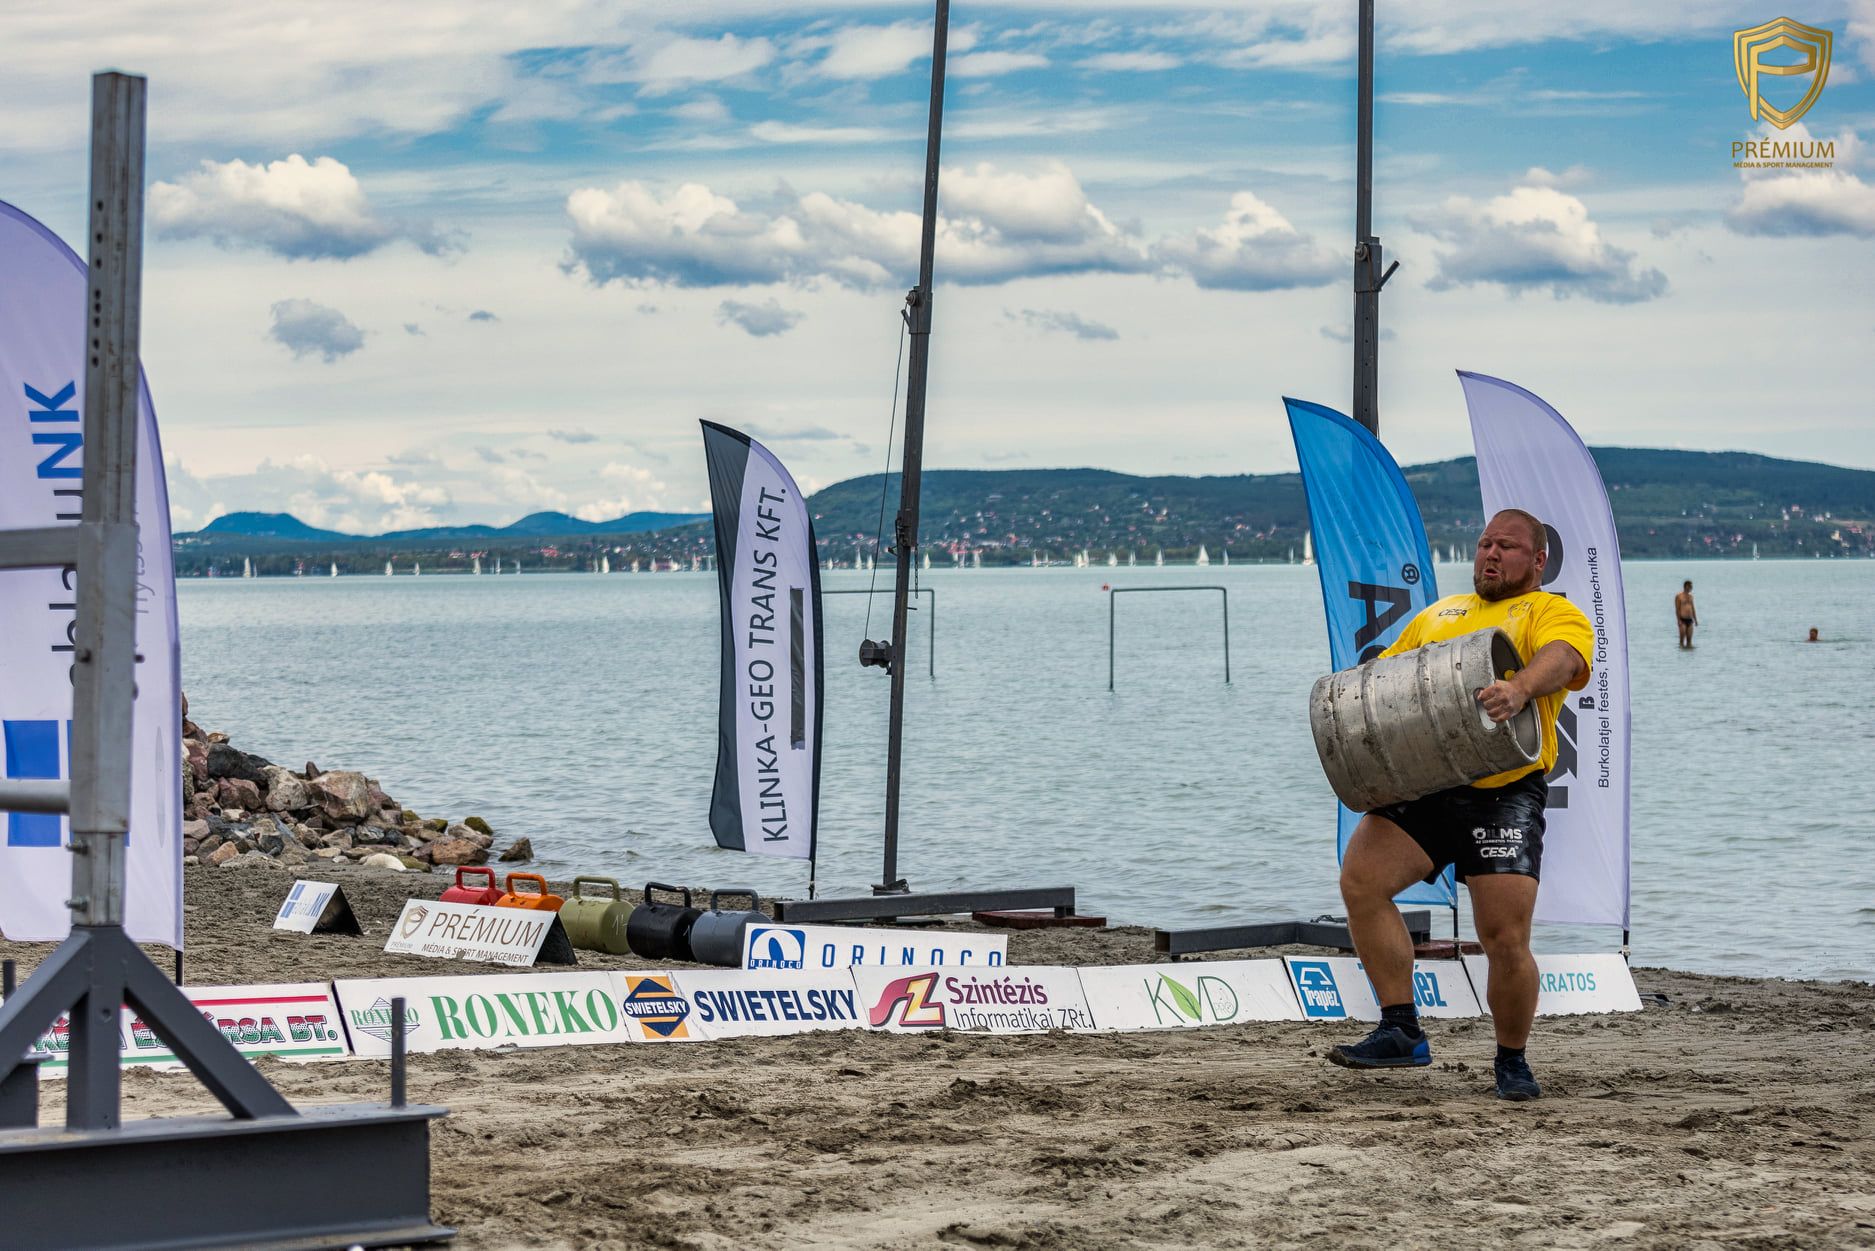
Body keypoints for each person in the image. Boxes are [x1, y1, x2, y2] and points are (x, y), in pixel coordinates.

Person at [1328, 509, 1593, 1102]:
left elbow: (1567, 659)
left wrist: (1520, 687)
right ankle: (1401, 1030)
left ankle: (1512, 1060)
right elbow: (1383, 684)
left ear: (1538, 560)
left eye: (1507, 547)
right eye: (1484, 544)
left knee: (1503, 937)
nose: (1491, 554)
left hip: (1504, 792)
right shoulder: (1440, 614)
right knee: (1362, 881)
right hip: (1428, 783)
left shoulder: (1549, 612)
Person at [1675, 580, 1697, 649]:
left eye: (1691, 586)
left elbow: (1693, 608)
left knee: (1689, 642)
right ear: (1686, 586)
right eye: (1690, 586)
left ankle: (1689, 655)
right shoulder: (1679, 596)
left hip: (1690, 620)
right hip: (1682, 620)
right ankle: (1681, 653)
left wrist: (1695, 620)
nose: (1691, 588)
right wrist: (1678, 620)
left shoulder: (1691, 597)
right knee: (1682, 641)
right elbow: (1677, 609)